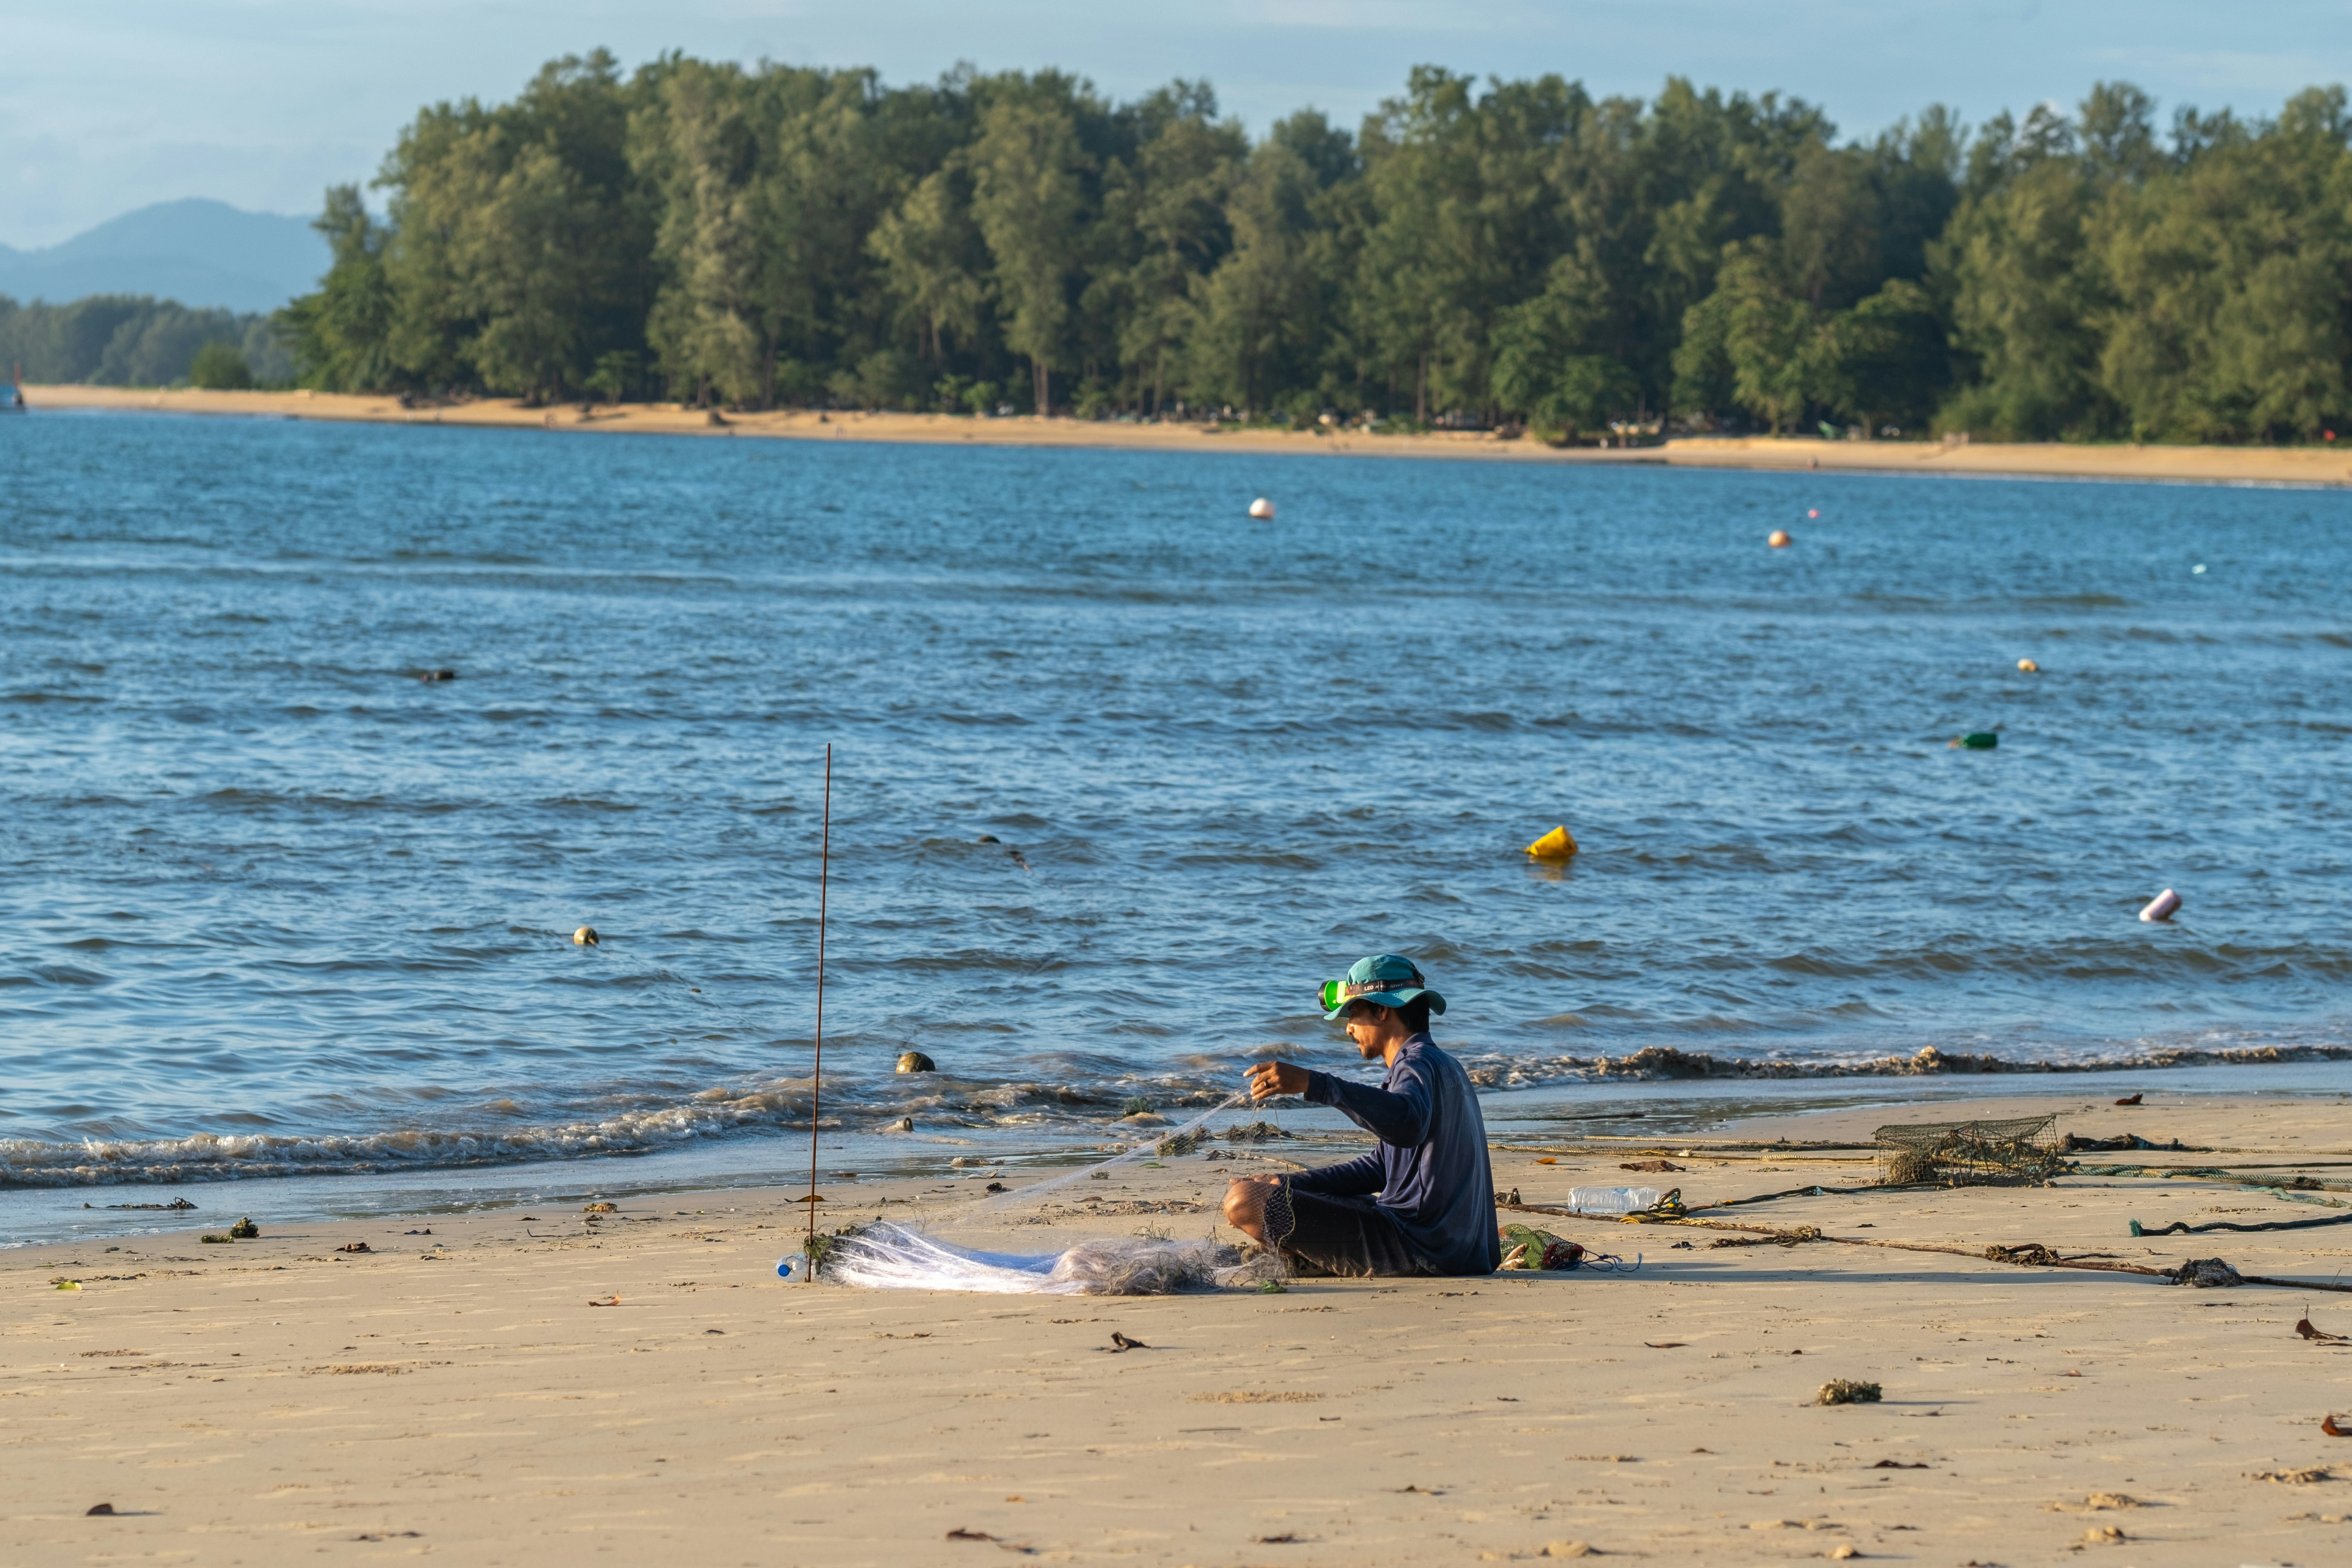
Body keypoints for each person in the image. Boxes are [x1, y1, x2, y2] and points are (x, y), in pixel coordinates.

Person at [1221, 954, 1499, 1277]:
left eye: (1353, 1013)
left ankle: (1313, 1259)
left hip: (1420, 1247)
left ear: (1383, 1010)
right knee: (1284, 1192)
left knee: (1242, 1201)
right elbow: (1383, 1167)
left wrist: (1317, 1084)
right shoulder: (1447, 1066)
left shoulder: (1413, 1065)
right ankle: (1313, 1254)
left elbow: (1408, 1123)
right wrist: (1286, 1182)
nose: (1349, 1028)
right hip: (1467, 1251)